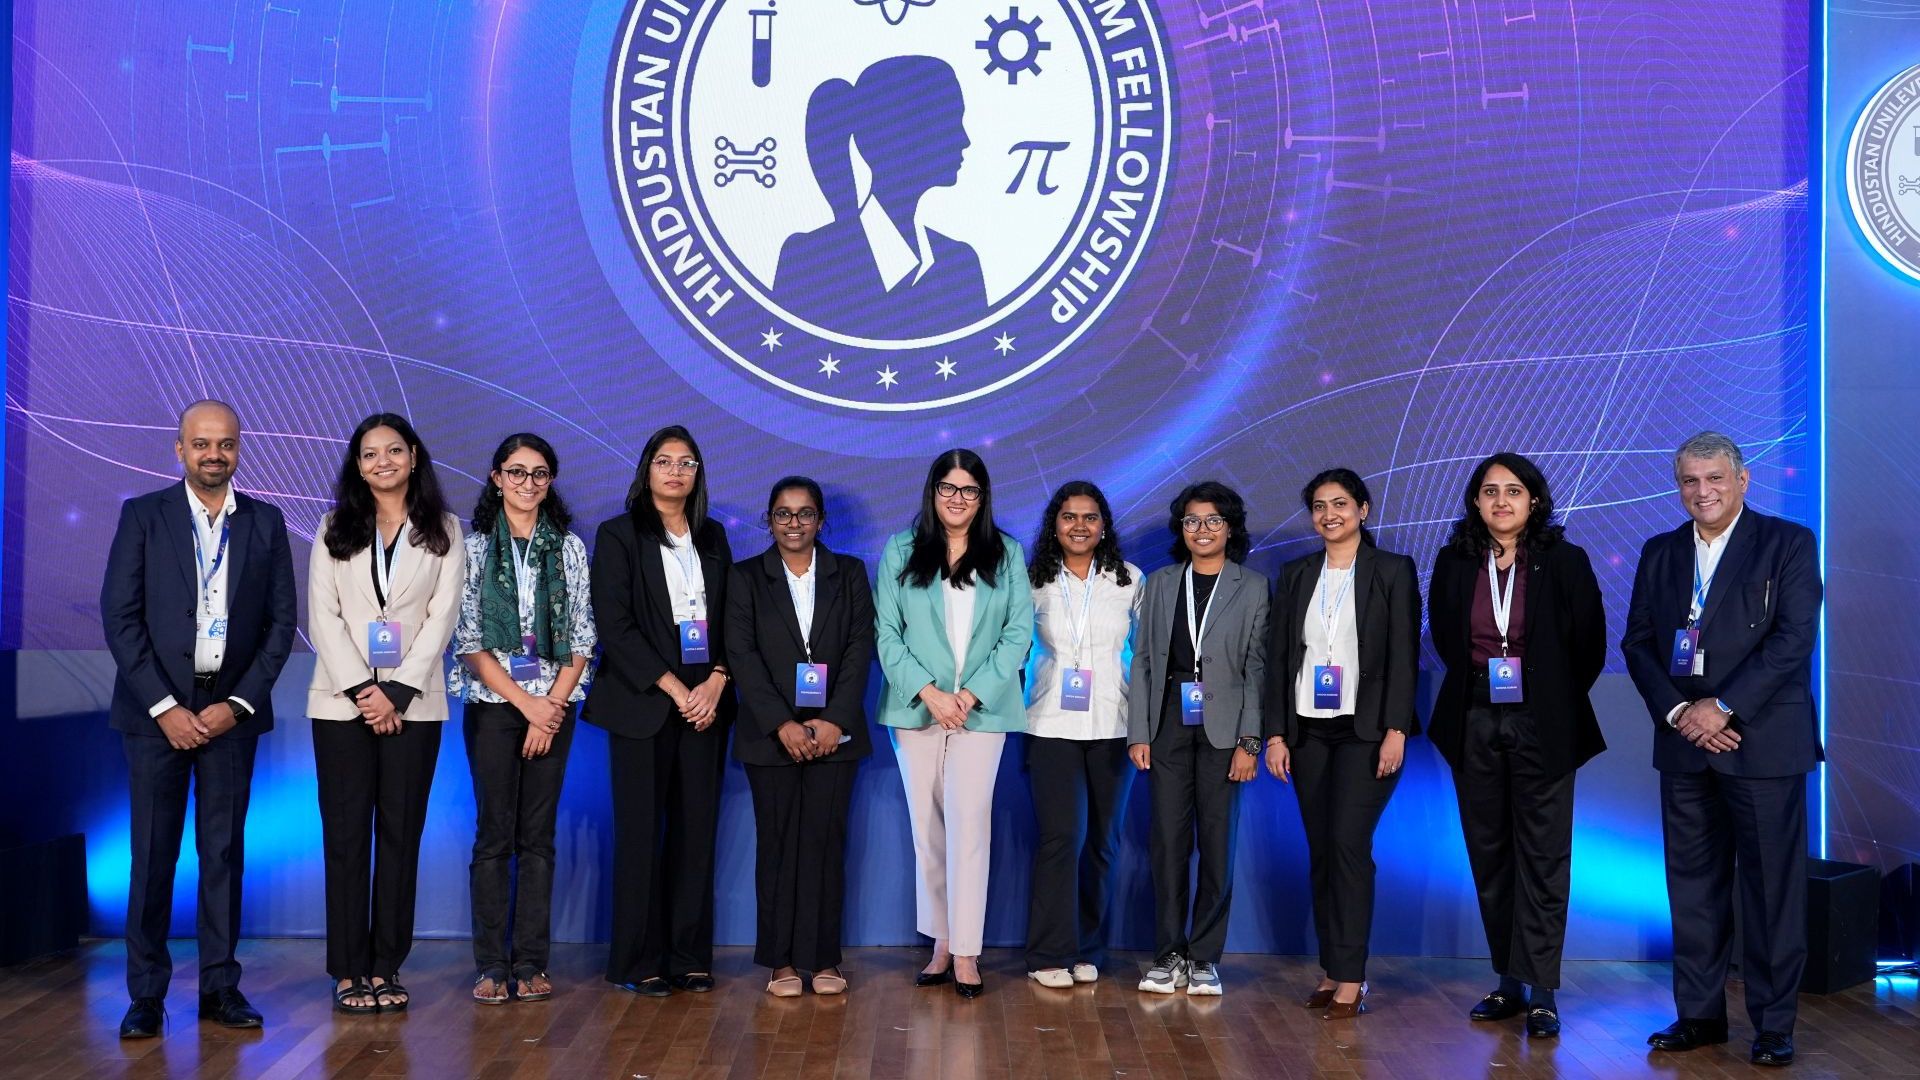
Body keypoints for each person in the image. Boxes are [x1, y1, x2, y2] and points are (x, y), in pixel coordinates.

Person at [1623, 432, 1820, 1068]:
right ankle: (1700, 1016)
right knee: (1693, 888)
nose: (1701, 492)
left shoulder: (1787, 542)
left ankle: (1773, 1024)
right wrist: (1683, 713)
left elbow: (1793, 640)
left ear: (1742, 479)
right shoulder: (1660, 552)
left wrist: (1722, 707)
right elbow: (1639, 643)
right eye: (1688, 480)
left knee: (1770, 890)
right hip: (1685, 744)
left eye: (1713, 478)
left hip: (1761, 743)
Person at [100, 400, 297, 1038]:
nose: (214, 455)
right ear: (179, 449)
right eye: (201, 444)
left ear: (240, 450)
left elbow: (280, 625)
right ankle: (146, 997)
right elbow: (120, 617)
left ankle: (220, 988)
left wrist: (234, 705)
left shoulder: (267, 523)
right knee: (152, 857)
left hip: (229, 715)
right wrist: (164, 707)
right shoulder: (143, 516)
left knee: (222, 855)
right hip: (154, 716)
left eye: (226, 445)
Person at [1427, 453, 1604, 1039]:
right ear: (1475, 502)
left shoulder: (1565, 561)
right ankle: (1508, 980)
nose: (1501, 501)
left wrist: (1544, 696)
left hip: (1542, 723)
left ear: (1534, 500)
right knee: (1490, 854)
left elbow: (1589, 647)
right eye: (1489, 491)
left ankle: (1544, 989)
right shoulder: (1455, 561)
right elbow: (1449, 641)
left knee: (1544, 858)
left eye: (1514, 491)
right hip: (1474, 716)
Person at [307, 413, 465, 1014]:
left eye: (394, 450)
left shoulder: (446, 529)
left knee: (401, 837)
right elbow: (324, 618)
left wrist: (396, 692)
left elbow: (441, 618)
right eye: (370, 454)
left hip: (414, 706)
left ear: (415, 457)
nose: (383, 462)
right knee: (346, 838)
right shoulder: (332, 528)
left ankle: (386, 966)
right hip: (340, 705)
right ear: (357, 464)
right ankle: (348, 970)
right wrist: (362, 693)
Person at [1262, 468, 1420, 1019]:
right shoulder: (1297, 573)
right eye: (1320, 506)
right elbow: (1281, 660)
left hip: (1367, 731)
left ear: (1363, 510)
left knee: (1350, 848)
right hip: (1308, 730)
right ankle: (1332, 968)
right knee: (1324, 851)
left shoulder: (1393, 571)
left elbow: (1405, 655)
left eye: (1341, 504)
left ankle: (1352, 976)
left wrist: (1397, 729)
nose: (1330, 515)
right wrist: (1277, 733)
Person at [875, 449, 1033, 999]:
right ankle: (940, 943)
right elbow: (887, 634)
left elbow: (1018, 634)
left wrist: (966, 695)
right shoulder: (900, 549)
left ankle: (967, 951)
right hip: (916, 709)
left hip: (981, 711)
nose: (957, 498)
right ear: (932, 491)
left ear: (983, 497)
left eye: (969, 490)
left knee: (970, 827)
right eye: (948, 488)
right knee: (928, 831)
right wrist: (929, 693)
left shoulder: (1007, 553)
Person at [585, 425, 735, 997]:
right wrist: (676, 688)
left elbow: (734, 620)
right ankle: (638, 958)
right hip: (647, 703)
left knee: (696, 836)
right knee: (642, 834)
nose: (676, 472)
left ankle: (689, 955)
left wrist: (718, 680)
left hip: (707, 706)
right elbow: (615, 628)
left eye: (687, 462)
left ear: (698, 473)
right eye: (665, 461)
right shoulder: (619, 535)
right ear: (646, 468)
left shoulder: (714, 536)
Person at [451, 434, 595, 1005]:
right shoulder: (474, 548)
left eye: (539, 474)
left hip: (555, 707)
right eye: (516, 472)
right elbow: (468, 640)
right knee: (494, 838)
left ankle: (532, 961)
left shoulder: (570, 549)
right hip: (495, 706)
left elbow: (582, 636)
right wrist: (526, 704)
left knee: (537, 839)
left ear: (551, 482)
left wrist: (549, 708)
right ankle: (490, 964)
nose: (527, 483)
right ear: (495, 478)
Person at [724, 477, 875, 997]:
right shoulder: (745, 578)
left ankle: (824, 959)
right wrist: (782, 724)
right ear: (769, 520)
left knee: (825, 847)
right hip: (771, 738)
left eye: (804, 513)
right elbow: (741, 656)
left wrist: (834, 719)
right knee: (779, 847)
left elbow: (860, 650)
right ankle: (782, 962)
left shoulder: (850, 574)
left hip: (836, 736)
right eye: (784, 514)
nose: (794, 523)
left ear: (821, 521)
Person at [1128, 480, 1269, 998]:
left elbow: (1257, 669)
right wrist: (1138, 733)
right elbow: (1143, 661)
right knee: (1166, 844)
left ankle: (1206, 956)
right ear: (1180, 529)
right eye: (1191, 520)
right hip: (1166, 730)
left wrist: (1250, 742)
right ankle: (1168, 953)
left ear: (1230, 527)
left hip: (1225, 734)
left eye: (1212, 520)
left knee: (1217, 845)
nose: (1202, 529)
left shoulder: (1252, 586)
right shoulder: (1163, 583)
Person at [772, 56, 987, 337]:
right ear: (905, 135)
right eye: (950, 122)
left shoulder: (959, 266)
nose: (964, 139)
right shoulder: (809, 259)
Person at [1023, 481, 1141, 990]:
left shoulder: (1129, 580)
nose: (1079, 526)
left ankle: (1088, 949)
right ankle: (1049, 953)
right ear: (1055, 524)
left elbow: (1151, 652)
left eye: (1089, 517)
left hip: (1114, 725)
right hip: (1050, 723)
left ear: (1103, 526)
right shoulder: (1032, 581)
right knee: (1060, 839)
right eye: (1068, 517)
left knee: (1103, 843)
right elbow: (1009, 648)